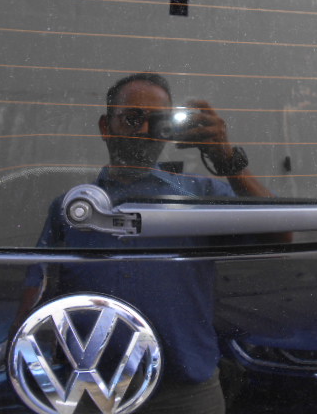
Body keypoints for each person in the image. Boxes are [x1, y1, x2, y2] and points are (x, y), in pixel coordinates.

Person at [35, 73, 276, 413]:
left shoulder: (201, 195)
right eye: (133, 118)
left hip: (187, 390)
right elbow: (38, 291)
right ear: (106, 126)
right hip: (90, 388)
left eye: (158, 121)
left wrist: (227, 160)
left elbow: (279, 235)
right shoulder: (75, 208)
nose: (145, 131)